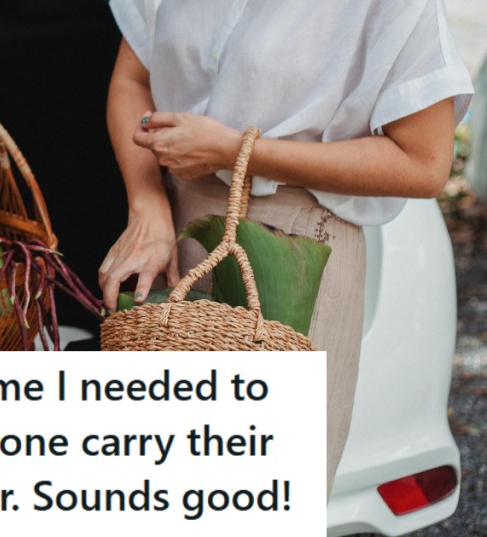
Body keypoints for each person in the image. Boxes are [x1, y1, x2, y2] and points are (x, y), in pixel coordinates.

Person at [99, 0, 473, 493]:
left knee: (261, 498)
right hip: (174, 231)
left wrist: (239, 153)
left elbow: (424, 162)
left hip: (292, 253)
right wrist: (147, 206)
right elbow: (132, 79)